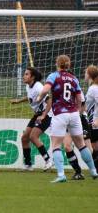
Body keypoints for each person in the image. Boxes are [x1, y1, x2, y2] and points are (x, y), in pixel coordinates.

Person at [36, 55, 97, 183]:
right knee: (81, 145)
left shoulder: (54, 76)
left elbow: (46, 89)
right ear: (68, 65)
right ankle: (93, 171)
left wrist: (39, 97)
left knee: (56, 145)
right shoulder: (74, 78)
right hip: (74, 114)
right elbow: (80, 98)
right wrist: (77, 111)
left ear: (57, 64)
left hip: (60, 114)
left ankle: (61, 175)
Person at [10, 67, 53, 171]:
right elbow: (30, 97)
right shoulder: (28, 86)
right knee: (24, 138)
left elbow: (50, 101)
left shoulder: (39, 86)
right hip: (37, 114)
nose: (24, 76)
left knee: (33, 137)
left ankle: (48, 161)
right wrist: (18, 101)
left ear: (32, 77)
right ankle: (28, 165)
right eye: (24, 74)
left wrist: (43, 115)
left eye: (26, 74)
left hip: (47, 114)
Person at [84, 65, 98, 170]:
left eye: (85, 73)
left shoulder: (94, 88)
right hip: (91, 120)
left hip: (93, 121)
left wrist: (97, 119)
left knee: (93, 146)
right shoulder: (92, 87)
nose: (84, 75)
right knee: (94, 146)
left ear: (89, 75)